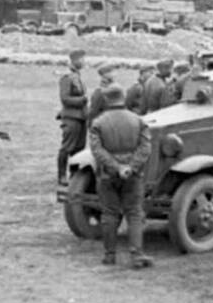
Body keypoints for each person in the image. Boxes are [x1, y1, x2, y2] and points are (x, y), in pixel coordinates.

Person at [89, 84, 154, 269]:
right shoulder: (138, 120)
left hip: (107, 175)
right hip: (133, 175)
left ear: (107, 100)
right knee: (134, 213)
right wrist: (130, 167)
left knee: (109, 214)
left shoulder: (98, 123)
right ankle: (136, 255)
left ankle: (109, 255)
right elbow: (145, 148)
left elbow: (97, 150)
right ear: (123, 98)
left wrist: (116, 167)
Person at [56, 49, 88, 185]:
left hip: (81, 117)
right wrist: (82, 100)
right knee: (67, 147)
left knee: (79, 148)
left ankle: (74, 174)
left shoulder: (77, 76)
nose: (83, 62)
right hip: (71, 117)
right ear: (74, 61)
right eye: (81, 59)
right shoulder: (67, 78)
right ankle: (62, 175)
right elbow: (65, 98)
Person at [86, 62, 118, 128]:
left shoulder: (112, 89)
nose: (115, 74)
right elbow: (93, 112)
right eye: (113, 72)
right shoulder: (100, 92)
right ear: (106, 74)